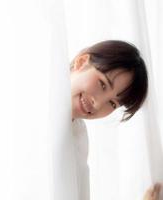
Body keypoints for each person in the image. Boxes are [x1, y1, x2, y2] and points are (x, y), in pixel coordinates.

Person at [69, 40, 161, 200]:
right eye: (103, 84)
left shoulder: (78, 137)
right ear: (82, 62)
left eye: (112, 104)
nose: (97, 104)